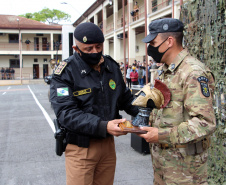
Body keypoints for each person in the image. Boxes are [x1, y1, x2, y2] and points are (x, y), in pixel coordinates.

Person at [50, 22, 138, 185]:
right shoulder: (65, 72)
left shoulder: (111, 66)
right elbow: (66, 114)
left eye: (98, 47)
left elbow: (125, 98)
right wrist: (103, 126)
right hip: (81, 149)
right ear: (76, 49)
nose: (95, 52)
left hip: (107, 146)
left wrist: (145, 110)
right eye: (88, 49)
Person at [137, 18, 216, 184]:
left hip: (185, 170)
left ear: (169, 41)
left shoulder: (193, 72)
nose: (150, 48)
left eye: (153, 42)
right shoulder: (164, 71)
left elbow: (205, 122)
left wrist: (162, 135)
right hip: (163, 164)